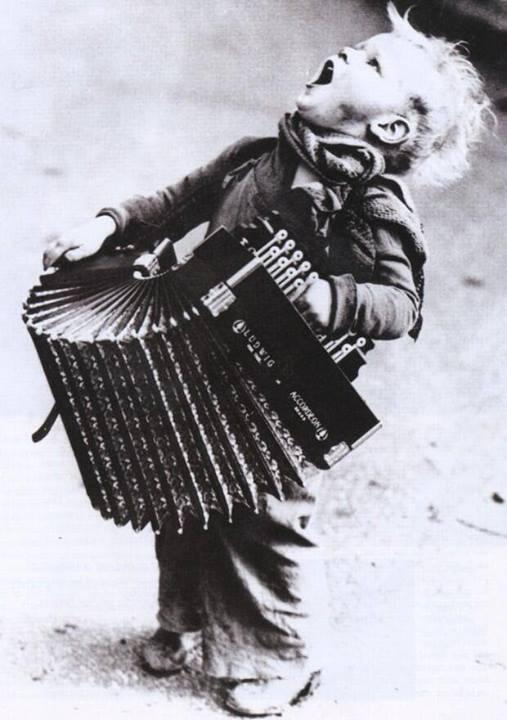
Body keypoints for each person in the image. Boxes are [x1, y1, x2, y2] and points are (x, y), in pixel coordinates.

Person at [43, 4, 491, 716]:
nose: (347, 55)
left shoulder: (372, 204)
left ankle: (283, 657)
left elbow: (401, 305)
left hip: (284, 397)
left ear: (388, 130)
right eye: (356, 47)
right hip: (201, 363)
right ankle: (185, 621)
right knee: (182, 494)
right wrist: (107, 224)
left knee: (265, 523)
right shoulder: (257, 155)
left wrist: (332, 298)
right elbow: (174, 202)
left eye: (371, 63)